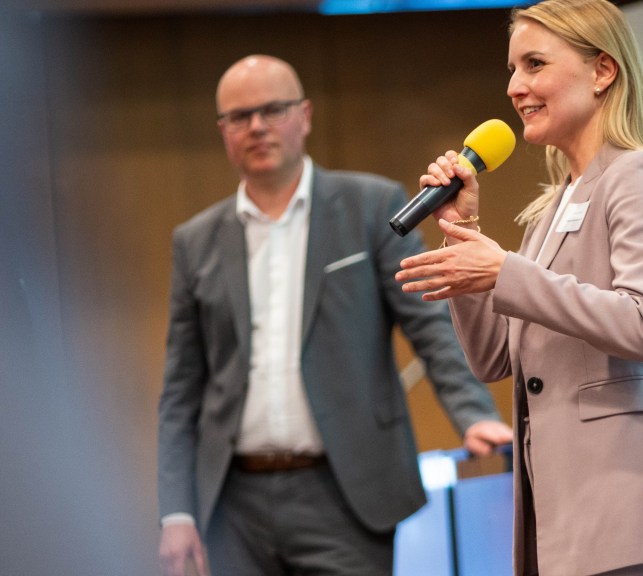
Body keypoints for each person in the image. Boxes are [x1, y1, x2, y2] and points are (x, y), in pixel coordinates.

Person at [395, 0, 643, 574]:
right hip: (563, 524)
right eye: (512, 70)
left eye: (535, 64)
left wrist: (505, 272)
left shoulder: (640, 176)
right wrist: (463, 231)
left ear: (602, 71)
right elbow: (493, 358)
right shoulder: (552, 210)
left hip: (631, 516)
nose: (515, 87)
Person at [156, 54, 513, 576]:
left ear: (304, 116)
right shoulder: (196, 241)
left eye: (272, 109)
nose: (256, 126)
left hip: (347, 494)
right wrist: (176, 511)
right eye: (239, 116)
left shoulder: (370, 206)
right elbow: (181, 387)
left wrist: (473, 413)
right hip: (233, 506)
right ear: (223, 131)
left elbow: (429, 325)